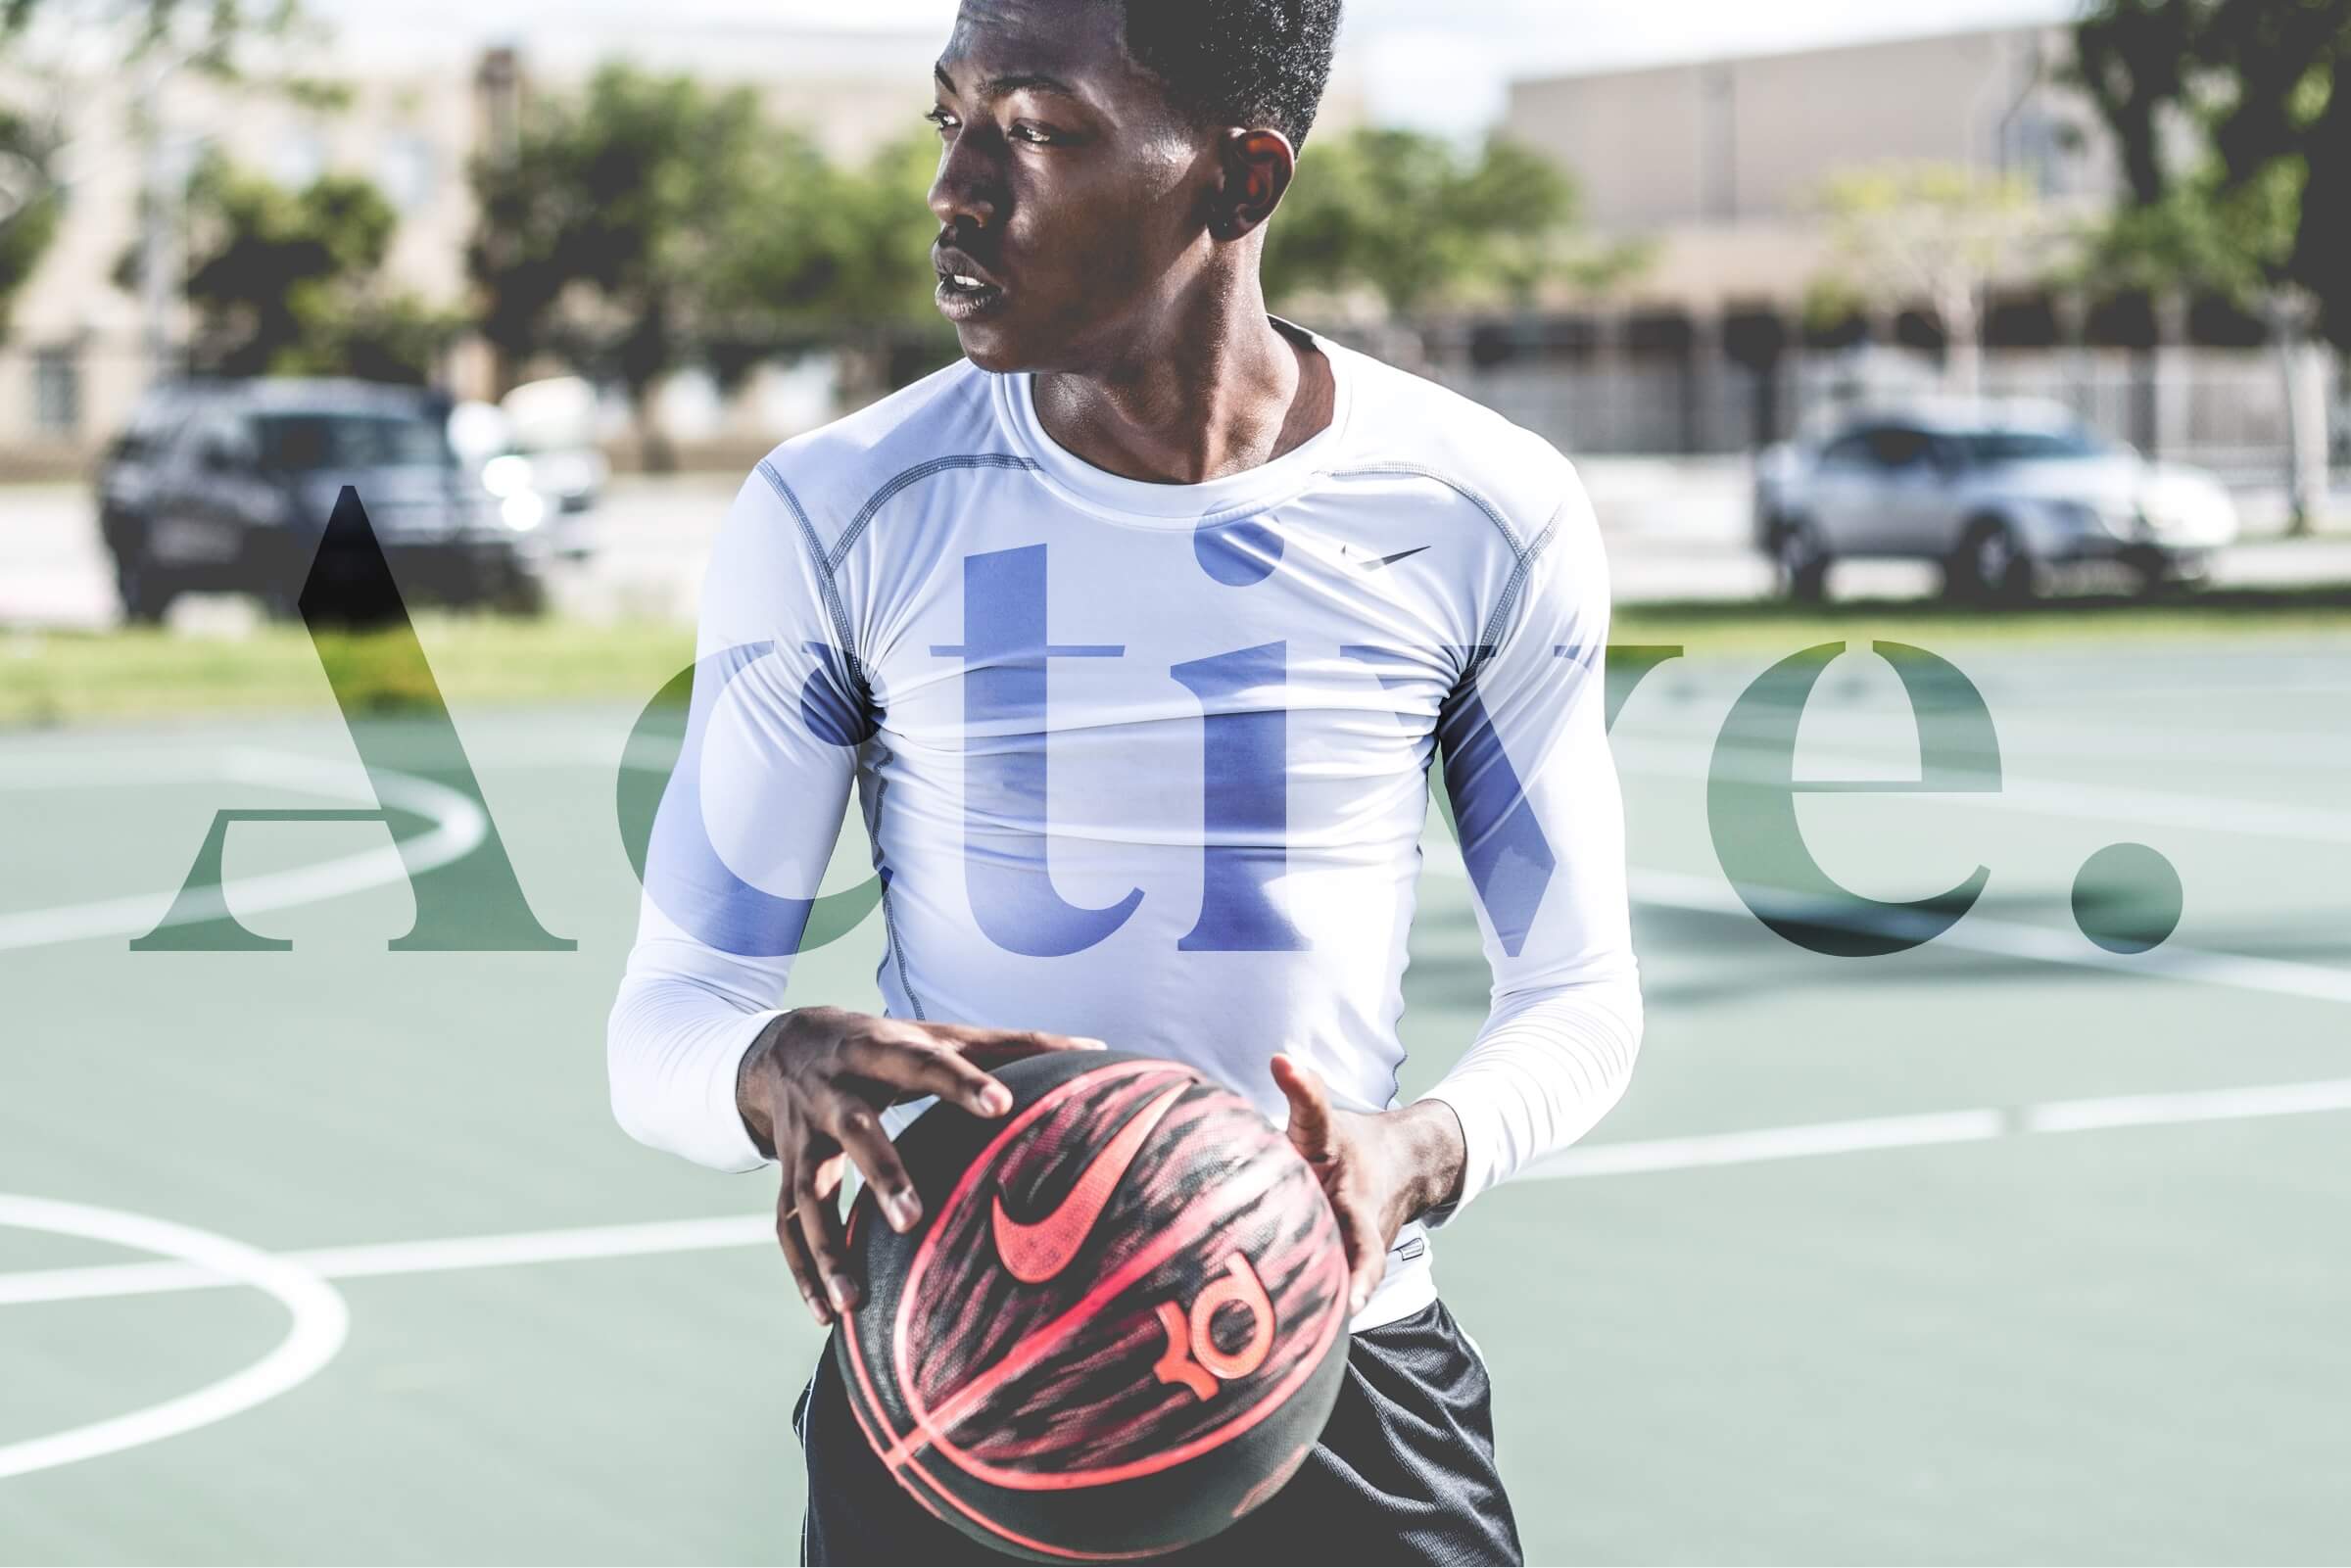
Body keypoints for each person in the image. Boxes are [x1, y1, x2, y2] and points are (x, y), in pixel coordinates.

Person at [607, 1, 1643, 1560]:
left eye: (1033, 130)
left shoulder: (1480, 507)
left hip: (1331, 1368)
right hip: (964, 1395)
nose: (956, 186)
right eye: (949, 118)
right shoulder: (839, 509)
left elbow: (1578, 997)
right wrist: (772, 1067)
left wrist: (1412, 1152)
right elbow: (670, 1013)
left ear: (1240, 177)